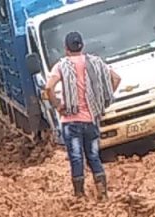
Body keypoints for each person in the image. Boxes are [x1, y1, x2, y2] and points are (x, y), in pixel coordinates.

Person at [43, 31, 119, 200]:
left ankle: (79, 195)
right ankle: (102, 193)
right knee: (93, 156)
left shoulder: (61, 66)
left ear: (66, 48)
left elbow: (48, 88)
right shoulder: (96, 62)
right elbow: (116, 78)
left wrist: (58, 106)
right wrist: (103, 100)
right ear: (82, 46)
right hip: (91, 120)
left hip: (71, 122)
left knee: (76, 157)